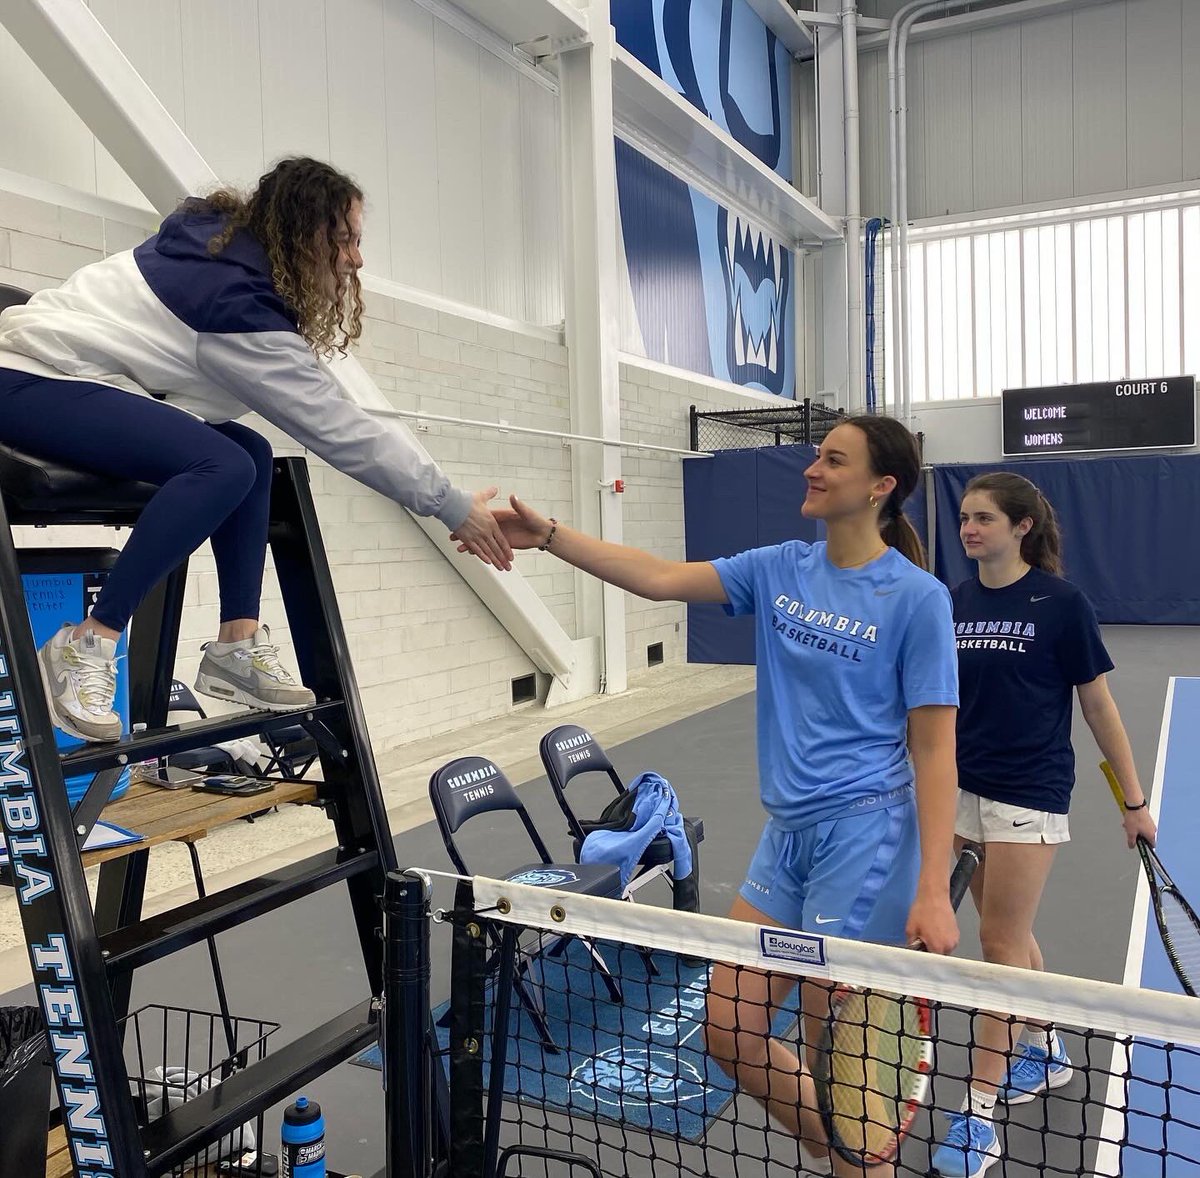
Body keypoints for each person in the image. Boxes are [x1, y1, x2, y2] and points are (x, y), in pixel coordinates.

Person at [461, 415, 961, 1177]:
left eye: (832, 460)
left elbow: (934, 747)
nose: (812, 470)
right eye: (816, 457)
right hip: (787, 838)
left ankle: (857, 1152)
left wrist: (932, 888)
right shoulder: (781, 567)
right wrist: (549, 534)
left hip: (866, 841)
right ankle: (850, 1147)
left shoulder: (916, 598)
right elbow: (659, 575)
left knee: (848, 1063)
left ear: (881, 486)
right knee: (731, 1029)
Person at [0, 157, 511, 744]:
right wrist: (451, 505)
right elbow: (338, 428)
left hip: (76, 382)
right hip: (25, 382)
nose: (356, 259)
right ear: (301, 234)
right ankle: (89, 640)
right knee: (222, 461)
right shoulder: (232, 299)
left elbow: (317, 407)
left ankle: (236, 643)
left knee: (250, 449)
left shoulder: (230, 265)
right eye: (343, 240)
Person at [930, 472, 1156, 1178]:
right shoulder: (956, 600)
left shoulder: (1061, 605)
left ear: (1022, 526)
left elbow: (1099, 709)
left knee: (997, 944)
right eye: (965, 518)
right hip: (962, 791)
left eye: (984, 519)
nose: (969, 529)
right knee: (1012, 931)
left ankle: (976, 1116)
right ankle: (1046, 1046)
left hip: (1029, 792)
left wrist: (1133, 800)